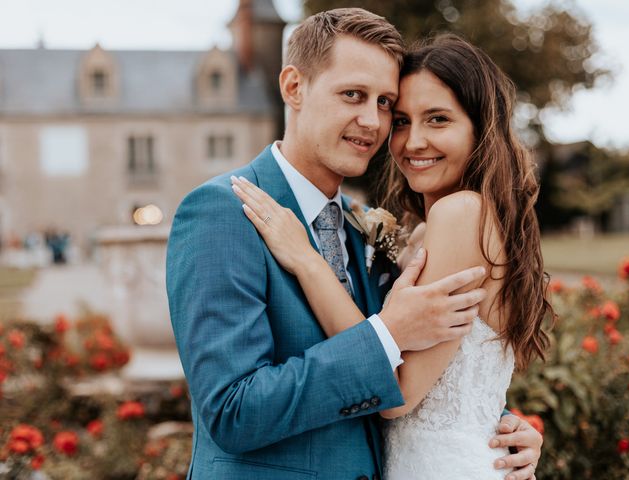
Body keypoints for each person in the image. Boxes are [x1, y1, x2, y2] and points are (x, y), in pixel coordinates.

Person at [167, 8, 542, 480]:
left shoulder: (360, 225)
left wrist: (500, 425)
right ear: (293, 87)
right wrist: (388, 333)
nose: (373, 121)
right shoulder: (225, 212)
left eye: (385, 103)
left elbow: (428, 371)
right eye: (353, 95)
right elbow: (233, 411)